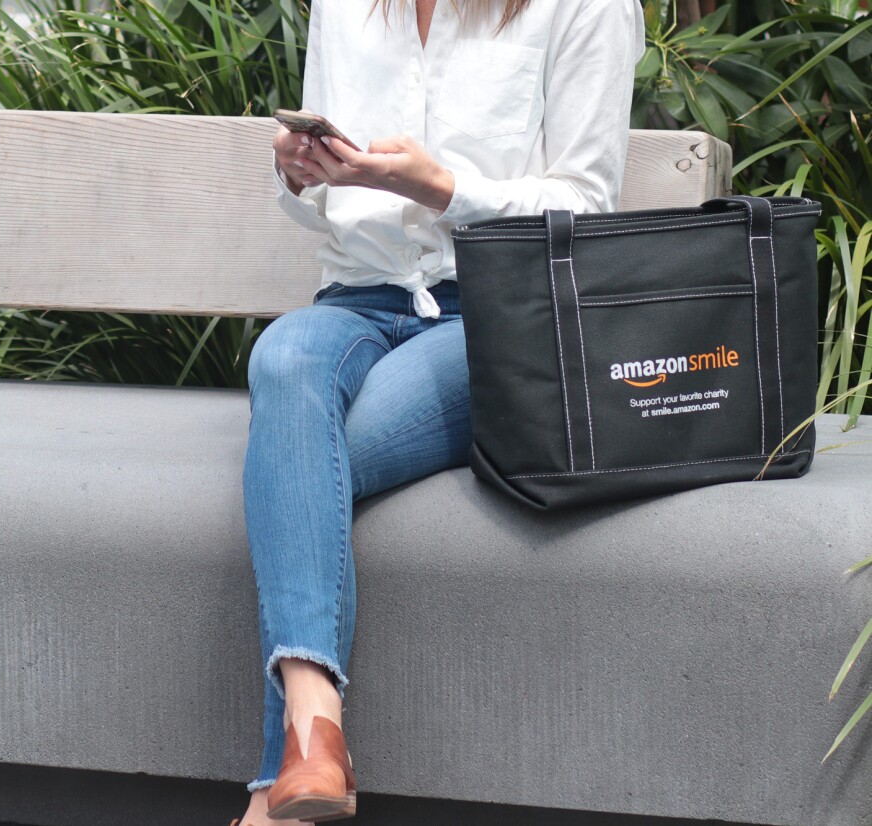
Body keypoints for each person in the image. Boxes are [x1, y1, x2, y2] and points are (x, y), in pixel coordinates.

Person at [233, 0, 644, 823]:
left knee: (309, 450)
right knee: (283, 357)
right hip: (357, 297)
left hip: (498, 313)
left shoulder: (589, 7)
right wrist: (300, 172)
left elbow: (587, 206)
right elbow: (327, 210)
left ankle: (280, 789)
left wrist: (438, 188)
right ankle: (316, 731)